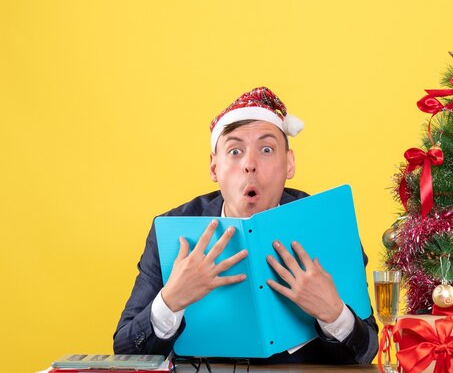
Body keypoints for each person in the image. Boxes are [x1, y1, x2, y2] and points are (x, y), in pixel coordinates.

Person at [113, 87, 379, 364]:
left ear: (288, 164)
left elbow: (366, 352)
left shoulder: (327, 225)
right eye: (235, 151)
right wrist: (170, 301)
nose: (249, 164)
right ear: (214, 167)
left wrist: (334, 313)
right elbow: (126, 351)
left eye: (266, 149)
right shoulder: (170, 231)